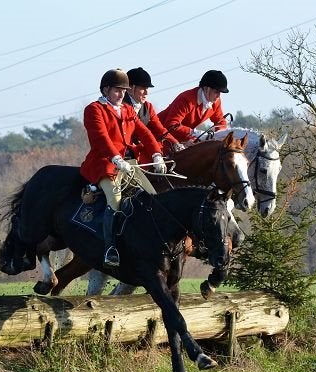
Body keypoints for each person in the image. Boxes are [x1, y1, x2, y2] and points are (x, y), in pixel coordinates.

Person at [79, 68, 167, 268]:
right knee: (116, 200)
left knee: (153, 198)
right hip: (104, 164)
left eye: (124, 91)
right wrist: (117, 159)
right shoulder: (94, 109)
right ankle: (110, 248)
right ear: (106, 90)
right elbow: (100, 138)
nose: (121, 95)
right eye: (117, 91)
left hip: (129, 164)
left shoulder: (127, 110)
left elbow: (145, 133)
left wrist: (156, 154)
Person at [123, 67, 183, 159]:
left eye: (147, 88)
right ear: (130, 88)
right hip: (122, 153)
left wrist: (176, 144)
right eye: (143, 88)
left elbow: (160, 130)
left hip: (139, 153)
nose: (147, 93)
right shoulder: (121, 106)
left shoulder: (148, 107)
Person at [157, 69, 230, 143]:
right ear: (206, 88)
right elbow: (171, 125)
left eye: (220, 92)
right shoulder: (186, 99)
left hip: (179, 140)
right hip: (158, 135)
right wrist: (195, 133)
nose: (218, 96)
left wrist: (220, 135)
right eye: (216, 92)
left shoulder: (215, 102)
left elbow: (220, 121)